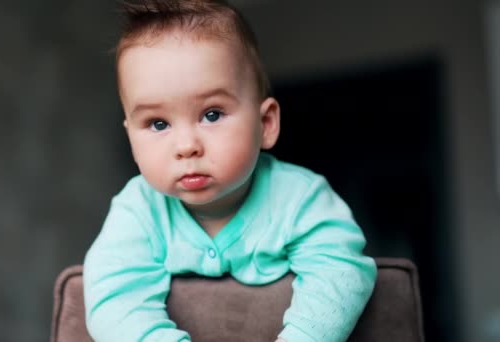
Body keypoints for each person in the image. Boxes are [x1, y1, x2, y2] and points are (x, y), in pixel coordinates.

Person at [83, 1, 377, 341]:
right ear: (130, 136)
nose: (186, 146)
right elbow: (114, 300)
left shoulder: (300, 198)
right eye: (158, 123)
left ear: (265, 124)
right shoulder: (138, 209)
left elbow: (340, 272)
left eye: (211, 114)